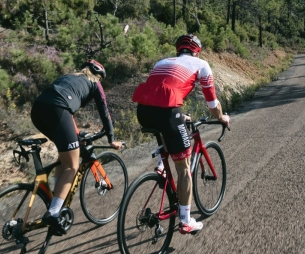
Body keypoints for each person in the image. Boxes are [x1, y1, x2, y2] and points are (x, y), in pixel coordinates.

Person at [132, 34, 230, 235]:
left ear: (178, 49)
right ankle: (185, 221)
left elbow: (159, 93)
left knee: (168, 131)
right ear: (197, 50)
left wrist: (178, 115)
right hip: (168, 112)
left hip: (143, 111)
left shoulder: (162, 62)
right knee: (184, 168)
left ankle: (161, 165)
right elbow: (212, 103)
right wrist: (222, 118)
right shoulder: (201, 64)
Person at [31, 59, 123, 235]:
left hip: (38, 109)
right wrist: (111, 139)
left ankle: (56, 198)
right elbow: (104, 110)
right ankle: (54, 212)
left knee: (64, 158)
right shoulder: (95, 82)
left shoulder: (68, 77)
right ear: (99, 75)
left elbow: (65, 111)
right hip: (58, 109)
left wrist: (76, 134)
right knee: (72, 166)